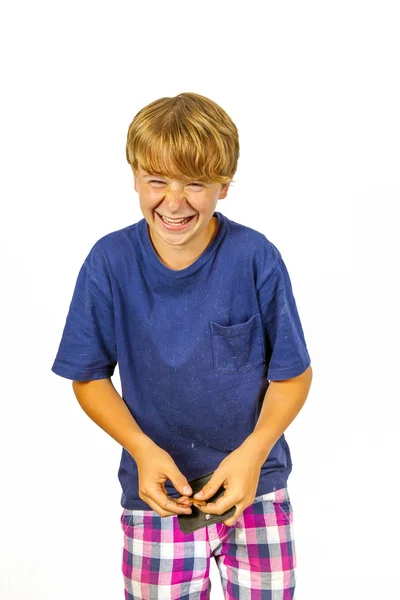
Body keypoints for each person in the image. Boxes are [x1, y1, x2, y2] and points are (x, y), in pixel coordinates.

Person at [51, 91, 313, 599]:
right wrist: (142, 451)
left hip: (256, 489)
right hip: (159, 498)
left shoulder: (255, 257)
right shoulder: (108, 263)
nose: (174, 202)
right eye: (156, 182)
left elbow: (293, 374)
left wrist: (252, 456)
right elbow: (88, 377)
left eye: (195, 184)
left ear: (224, 186)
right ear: (134, 178)